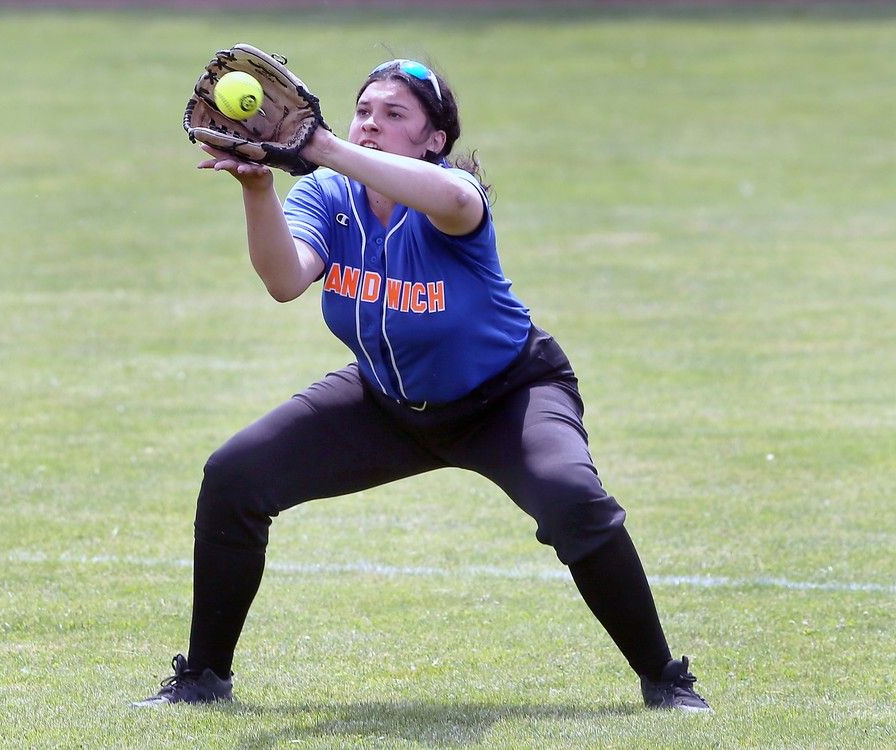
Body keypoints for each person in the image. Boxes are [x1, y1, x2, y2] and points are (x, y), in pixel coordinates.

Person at [134, 58, 711, 712]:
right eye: (364, 111)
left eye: (394, 114)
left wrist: (323, 144)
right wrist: (258, 189)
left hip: (508, 396)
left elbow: (457, 201)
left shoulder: (450, 193)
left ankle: (665, 677)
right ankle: (202, 679)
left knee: (571, 497)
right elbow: (285, 279)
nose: (372, 123)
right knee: (235, 476)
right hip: (385, 403)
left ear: (433, 140)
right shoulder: (328, 197)